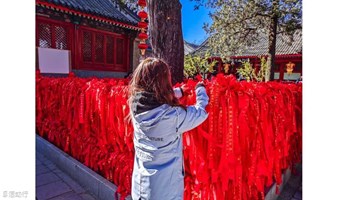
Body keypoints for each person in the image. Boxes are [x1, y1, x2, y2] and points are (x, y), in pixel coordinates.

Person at [127, 57, 209, 200]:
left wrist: (179, 92)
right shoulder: (172, 116)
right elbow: (201, 112)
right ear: (163, 82)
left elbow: (155, 97)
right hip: (165, 191)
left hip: (140, 185)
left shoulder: (135, 104)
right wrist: (200, 90)